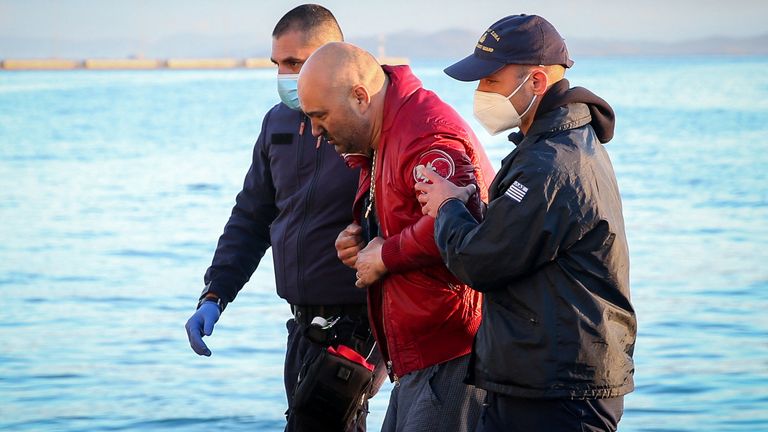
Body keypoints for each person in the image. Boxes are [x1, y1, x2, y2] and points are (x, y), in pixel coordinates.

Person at [415, 14, 637, 432]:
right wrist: (471, 204)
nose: (480, 93)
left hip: (562, 389)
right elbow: (525, 236)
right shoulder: (558, 143)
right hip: (543, 376)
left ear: (535, 81)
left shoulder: (550, 163)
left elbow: (480, 261)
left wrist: (447, 208)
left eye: (491, 81)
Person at [183, 5, 386, 431]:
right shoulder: (276, 123)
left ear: (332, 55)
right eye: (278, 63)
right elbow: (251, 217)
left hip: (358, 325)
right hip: (301, 325)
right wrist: (215, 294)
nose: (284, 74)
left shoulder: (369, 123)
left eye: (294, 62)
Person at [297, 42, 495, 432]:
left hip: (452, 351)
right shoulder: (383, 132)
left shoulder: (425, 132)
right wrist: (361, 237)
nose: (316, 132)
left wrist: (385, 255)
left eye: (321, 117)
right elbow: (405, 211)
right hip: (418, 355)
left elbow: (463, 219)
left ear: (359, 97)